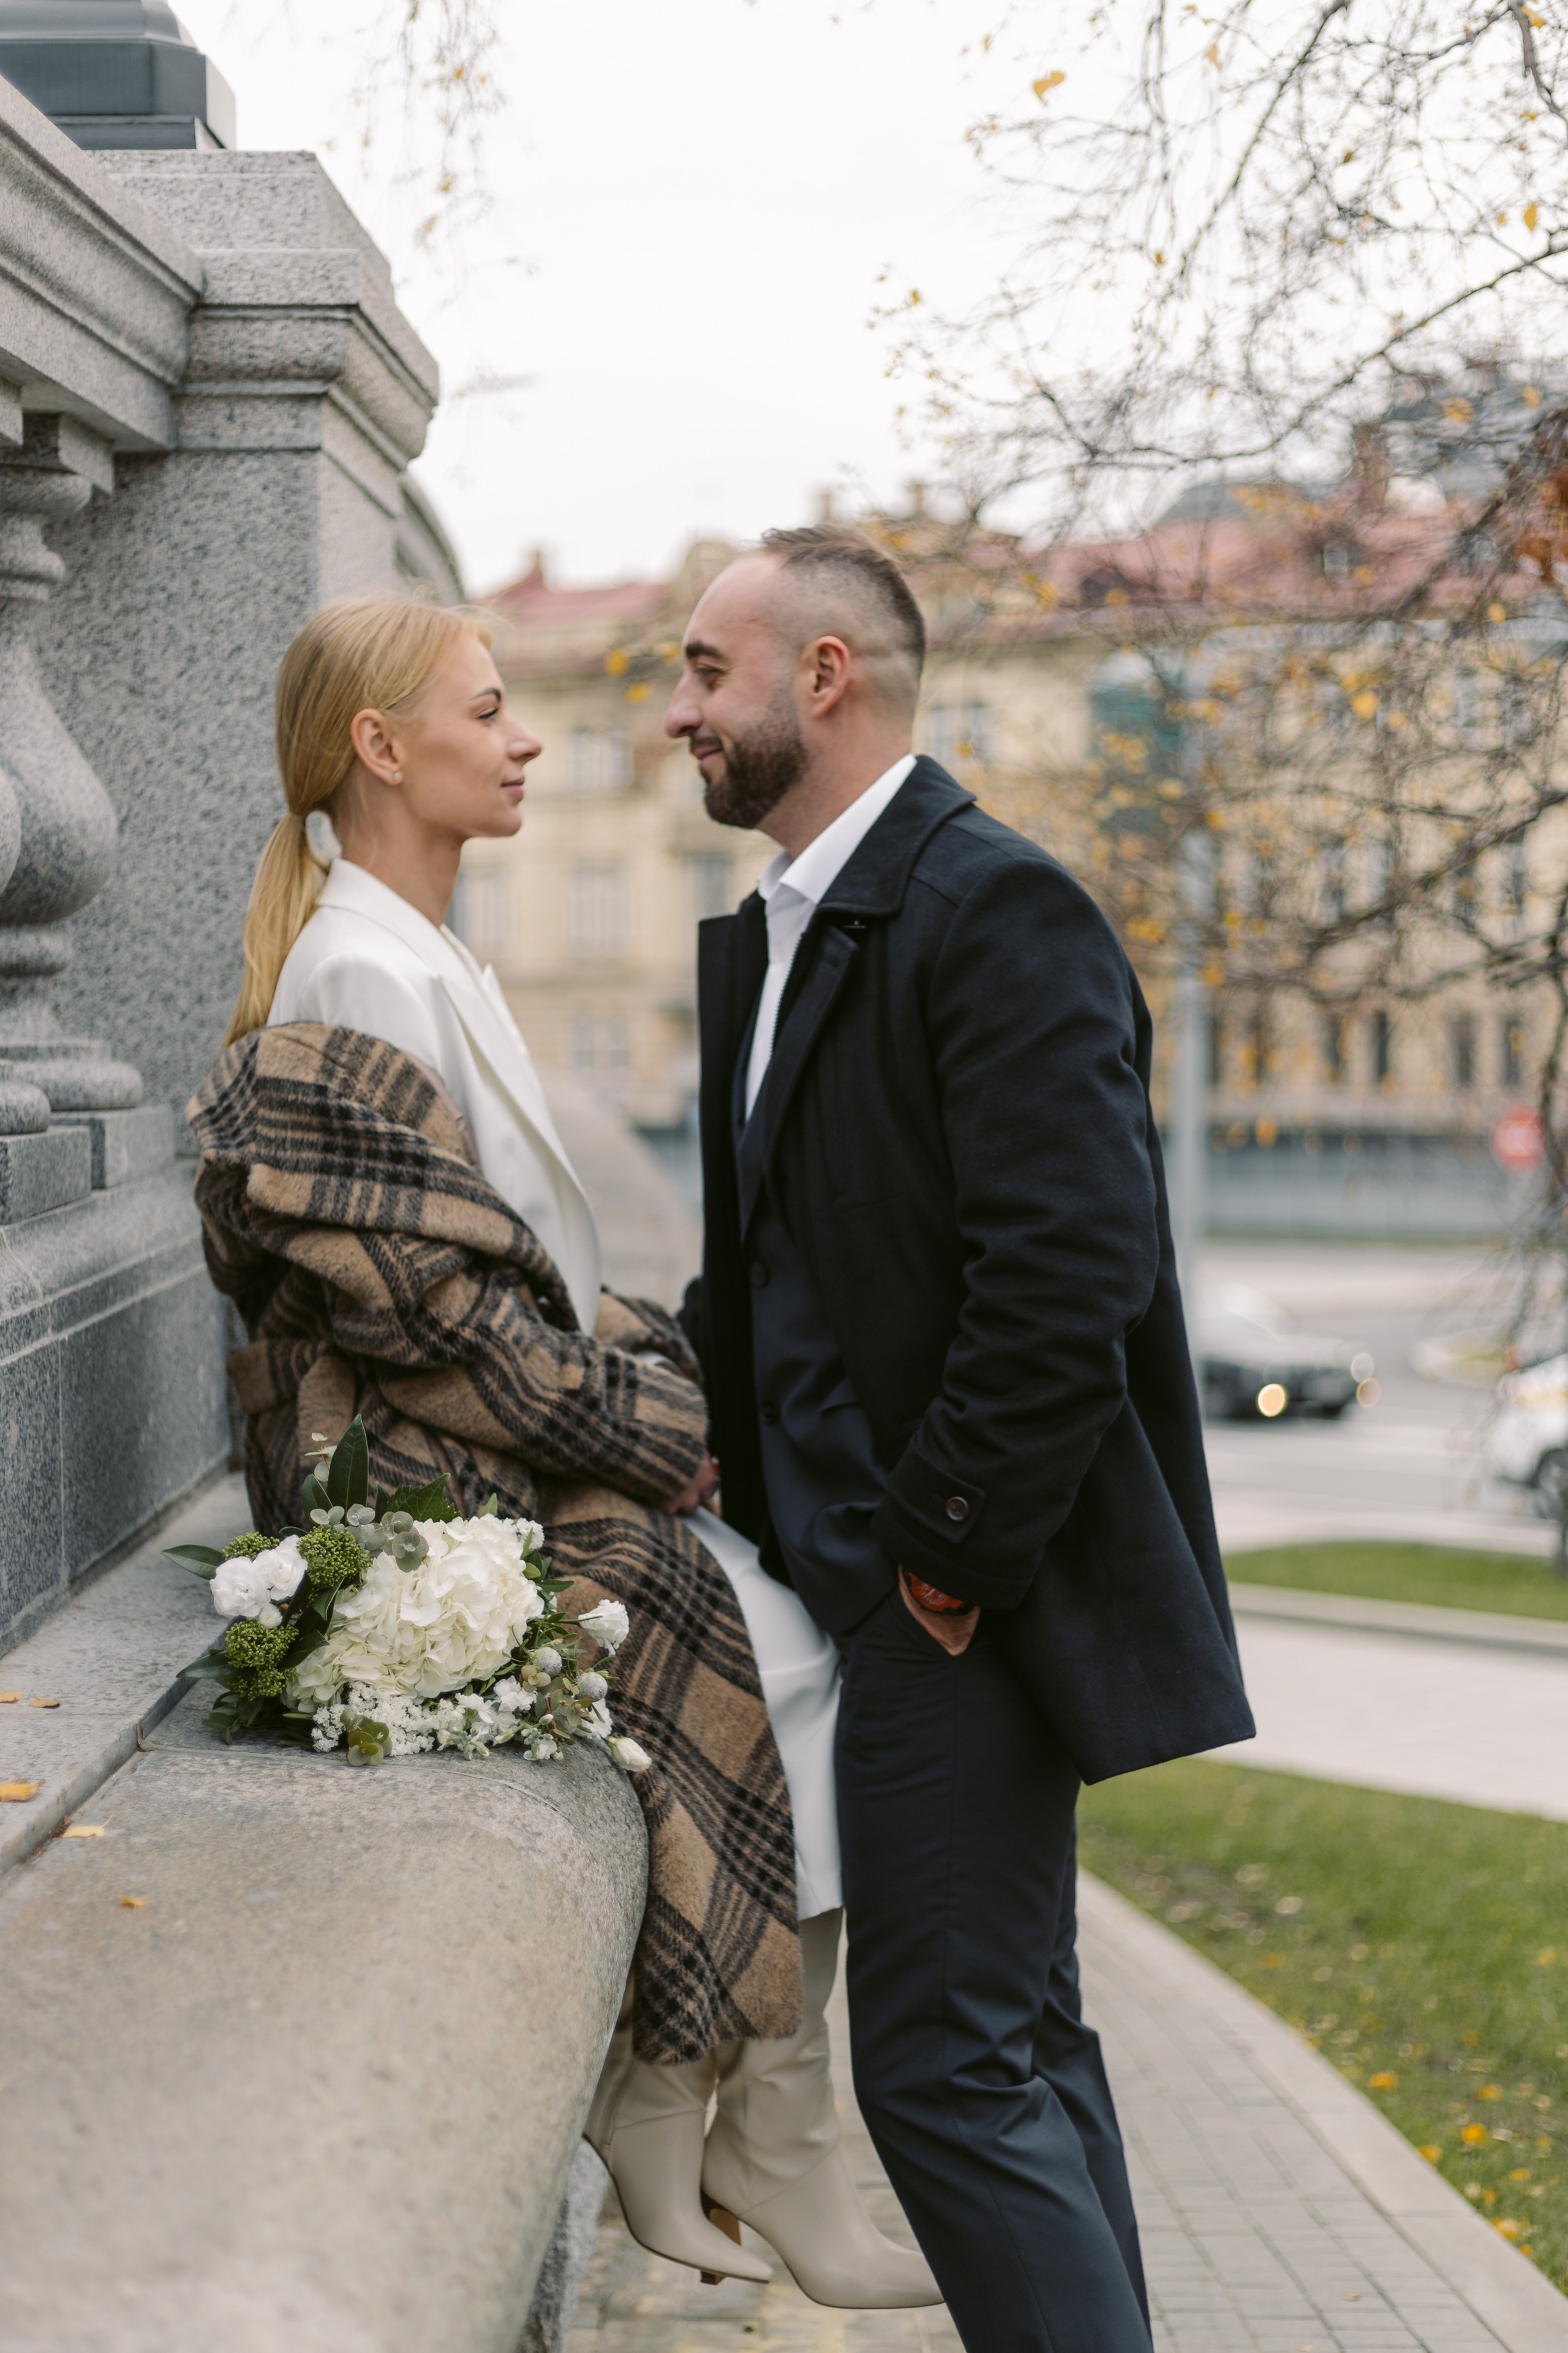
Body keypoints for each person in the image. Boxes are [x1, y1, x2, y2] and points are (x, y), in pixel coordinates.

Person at [189, 595, 937, 2311]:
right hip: (419, 1477)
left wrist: (667, 1402)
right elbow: (425, 1319)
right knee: (788, 1637)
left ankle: (713, 2111)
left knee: (793, 1625)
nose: (528, 739)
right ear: (383, 746)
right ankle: (727, 2114)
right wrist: (662, 1431)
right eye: (491, 708)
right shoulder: (366, 963)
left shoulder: (429, 950)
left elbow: (518, 1280)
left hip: (487, 1445)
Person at [668, 525, 1257, 2353]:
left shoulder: (989, 902)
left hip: (959, 1601)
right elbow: (786, 1270)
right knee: (1014, 2043)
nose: (677, 711)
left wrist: (937, 1554)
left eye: (705, 670)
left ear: (822, 678)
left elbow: (1071, 1268)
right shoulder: (788, 928)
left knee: (940, 2072)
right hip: (877, 1586)